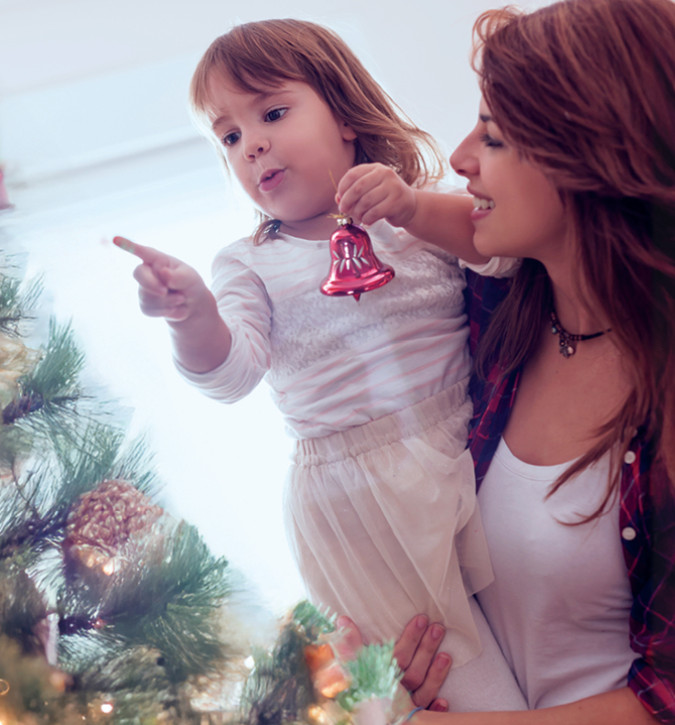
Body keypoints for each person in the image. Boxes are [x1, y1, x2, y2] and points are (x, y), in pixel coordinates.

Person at [113, 18, 527, 712]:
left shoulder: (412, 209)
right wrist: (193, 316)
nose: (254, 145)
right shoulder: (248, 263)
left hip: (464, 455)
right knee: (460, 691)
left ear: (344, 113)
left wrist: (414, 205)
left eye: (271, 112)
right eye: (230, 136)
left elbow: (500, 252)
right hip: (358, 506)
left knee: (531, 656)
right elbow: (230, 373)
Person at [352, 0, 675, 721]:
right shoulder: (491, 315)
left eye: (492, 137)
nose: (460, 158)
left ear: (592, 151)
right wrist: (414, 671)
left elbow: (666, 695)